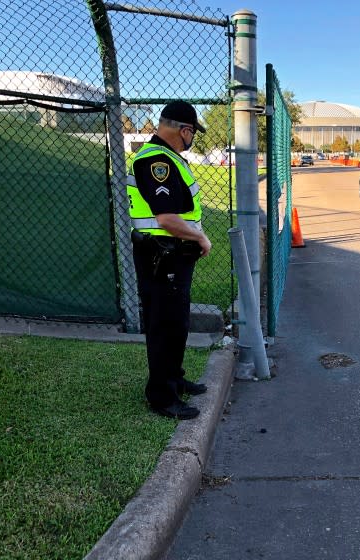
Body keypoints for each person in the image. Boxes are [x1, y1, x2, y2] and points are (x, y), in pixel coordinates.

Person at [127, 100, 212, 420]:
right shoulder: (156, 161)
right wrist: (201, 238)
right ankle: (161, 395)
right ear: (185, 130)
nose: (193, 140)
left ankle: (173, 378)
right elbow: (165, 218)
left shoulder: (169, 158)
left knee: (177, 321)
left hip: (173, 255)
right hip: (160, 256)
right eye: (193, 134)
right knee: (163, 323)